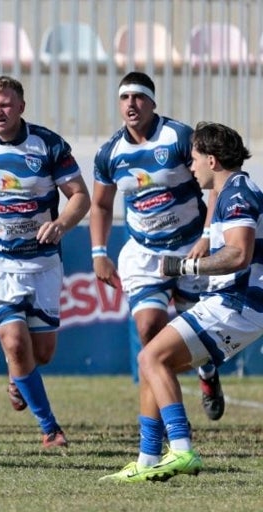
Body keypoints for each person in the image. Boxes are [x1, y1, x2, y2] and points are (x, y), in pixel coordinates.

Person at [100, 122, 260, 482]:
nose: (191, 166)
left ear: (213, 160)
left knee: (151, 357)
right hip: (233, 303)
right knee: (154, 361)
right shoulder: (231, 190)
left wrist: (186, 265)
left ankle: (183, 450)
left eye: (194, 159)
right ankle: (146, 459)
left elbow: (239, 255)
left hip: (237, 303)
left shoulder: (237, 194)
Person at [0, 76, 90, 448]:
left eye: (6, 105)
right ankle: (50, 429)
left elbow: (80, 196)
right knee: (13, 340)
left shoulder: (48, 144)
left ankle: (18, 377)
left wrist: (61, 223)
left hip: (41, 264)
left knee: (39, 352)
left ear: (21, 107)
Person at [89, 72, 222, 422]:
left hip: (191, 247)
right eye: (125, 98)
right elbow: (101, 205)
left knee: (198, 331)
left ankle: (207, 373)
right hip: (144, 252)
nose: (131, 104)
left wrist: (208, 236)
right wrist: (99, 254)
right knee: (149, 327)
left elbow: (215, 181)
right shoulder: (110, 153)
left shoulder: (178, 137)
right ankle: (161, 414)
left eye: (139, 97)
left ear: (152, 102)